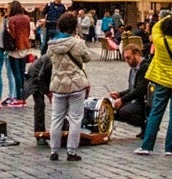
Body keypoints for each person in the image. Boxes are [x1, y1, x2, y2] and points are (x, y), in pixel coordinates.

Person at [44, 14, 122, 162]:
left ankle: (54, 150)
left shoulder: (51, 45)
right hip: (76, 85)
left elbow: (49, 59)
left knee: (56, 118)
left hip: (58, 85)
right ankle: (71, 151)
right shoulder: (77, 43)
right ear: (74, 27)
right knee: (75, 119)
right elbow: (87, 58)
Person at [136, 13, 172, 156]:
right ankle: (170, 148)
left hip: (162, 81)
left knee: (156, 112)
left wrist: (168, 17)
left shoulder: (159, 41)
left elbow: (155, 27)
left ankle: (147, 146)